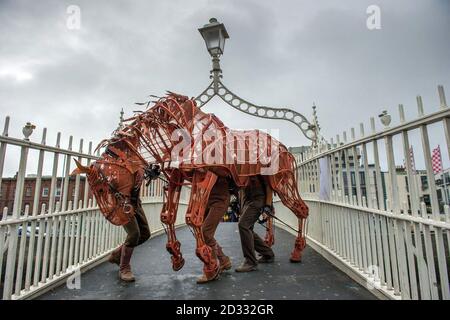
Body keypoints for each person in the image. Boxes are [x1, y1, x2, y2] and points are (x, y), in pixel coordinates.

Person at [107, 168, 151, 282]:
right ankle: (124, 268)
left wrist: (149, 172)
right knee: (134, 233)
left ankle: (117, 255)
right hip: (121, 202)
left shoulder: (137, 160)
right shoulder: (116, 159)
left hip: (135, 201)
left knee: (145, 234)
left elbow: (139, 174)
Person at [196, 176, 232, 283]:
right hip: (206, 199)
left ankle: (212, 267)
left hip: (220, 200)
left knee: (205, 232)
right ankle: (223, 260)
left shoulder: (220, 162)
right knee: (202, 232)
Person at [235, 175, 275, 272]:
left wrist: (268, 205)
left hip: (258, 198)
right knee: (248, 229)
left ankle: (250, 262)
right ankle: (267, 254)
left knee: (243, 225)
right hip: (247, 198)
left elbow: (269, 184)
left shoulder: (259, 162)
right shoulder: (241, 163)